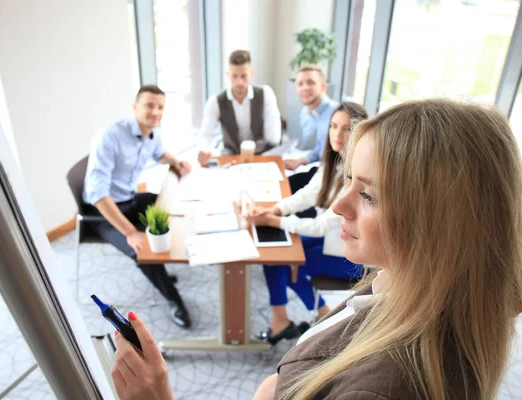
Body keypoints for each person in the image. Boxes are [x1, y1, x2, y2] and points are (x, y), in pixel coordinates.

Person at [109, 99, 522, 400]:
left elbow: (320, 217)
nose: (342, 204)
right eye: (351, 185)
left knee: (289, 256)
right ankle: (280, 317)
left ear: (438, 222)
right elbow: (309, 197)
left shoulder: (382, 389)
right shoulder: (393, 283)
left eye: (369, 196)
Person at [248, 102, 368, 346]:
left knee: (291, 266)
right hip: (330, 238)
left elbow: (319, 226)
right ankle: (281, 321)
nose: (337, 134)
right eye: (334, 126)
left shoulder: (359, 174)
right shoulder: (335, 161)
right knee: (274, 256)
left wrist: (274, 220)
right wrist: (275, 209)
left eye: (346, 129)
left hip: (348, 252)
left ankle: (323, 313)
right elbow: (307, 194)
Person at [83, 85, 193, 328]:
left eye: (160, 107)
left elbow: (158, 153)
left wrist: (176, 160)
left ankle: (166, 262)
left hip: (130, 199)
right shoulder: (110, 136)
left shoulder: (152, 133)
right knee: (144, 251)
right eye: (149, 105)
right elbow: (97, 194)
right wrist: (130, 232)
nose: (155, 112)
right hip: (103, 212)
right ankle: (175, 301)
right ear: (135, 107)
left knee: (169, 206)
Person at [197, 50, 281, 165]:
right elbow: (205, 135)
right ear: (228, 74)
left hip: (260, 155)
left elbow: (274, 138)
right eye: (234, 76)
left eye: (244, 76)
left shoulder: (265, 93)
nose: (239, 82)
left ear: (251, 74)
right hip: (231, 156)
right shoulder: (215, 101)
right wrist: (203, 150)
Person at [285, 65, 339, 196]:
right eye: (300, 84)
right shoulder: (305, 113)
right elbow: (321, 148)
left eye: (311, 82)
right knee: (280, 187)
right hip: (320, 170)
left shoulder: (337, 114)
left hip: (334, 178)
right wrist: (300, 161)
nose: (305, 88)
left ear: (323, 86)